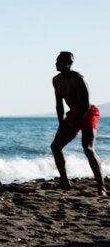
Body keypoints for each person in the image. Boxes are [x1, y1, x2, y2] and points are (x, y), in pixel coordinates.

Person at [50, 51, 107, 196]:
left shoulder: (78, 78)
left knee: (87, 148)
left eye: (61, 61)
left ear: (69, 63)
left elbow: (85, 106)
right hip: (73, 113)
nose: (57, 63)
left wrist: (74, 122)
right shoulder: (56, 80)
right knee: (56, 146)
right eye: (57, 60)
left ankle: (101, 187)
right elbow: (59, 105)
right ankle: (64, 182)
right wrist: (61, 123)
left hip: (88, 112)